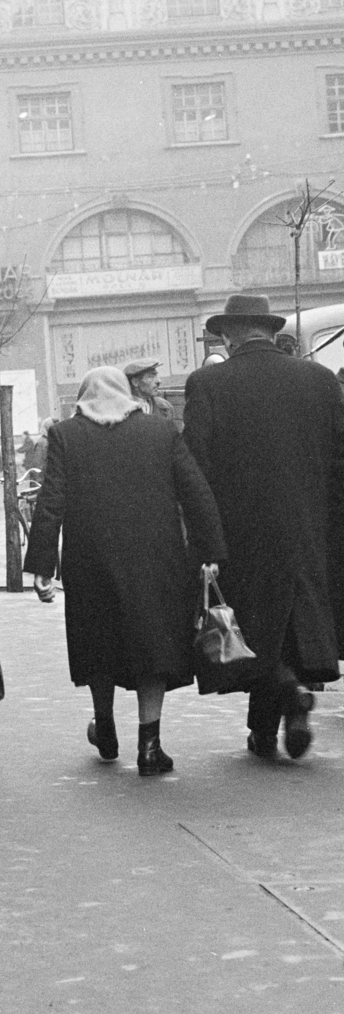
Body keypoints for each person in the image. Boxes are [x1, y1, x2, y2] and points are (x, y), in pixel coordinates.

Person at [21, 366, 226, 776]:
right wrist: (210, 551)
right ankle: (150, 746)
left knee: (99, 643)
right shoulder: (160, 431)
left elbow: (52, 499)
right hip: (157, 560)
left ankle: (106, 727)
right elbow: (196, 491)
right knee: (153, 647)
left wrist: (42, 564)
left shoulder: (66, 434)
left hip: (90, 561)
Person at [182, 293, 344, 759]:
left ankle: (290, 692)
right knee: (290, 625)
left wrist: (199, 537)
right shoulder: (319, 380)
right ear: (273, 333)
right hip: (310, 528)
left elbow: (195, 466)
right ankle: (267, 727)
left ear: (230, 335)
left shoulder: (208, 383)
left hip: (238, 533)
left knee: (251, 631)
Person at [123, 358, 176, 423]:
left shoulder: (165, 407)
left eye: (156, 375)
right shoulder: (121, 410)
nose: (159, 381)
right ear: (135, 382)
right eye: (151, 376)